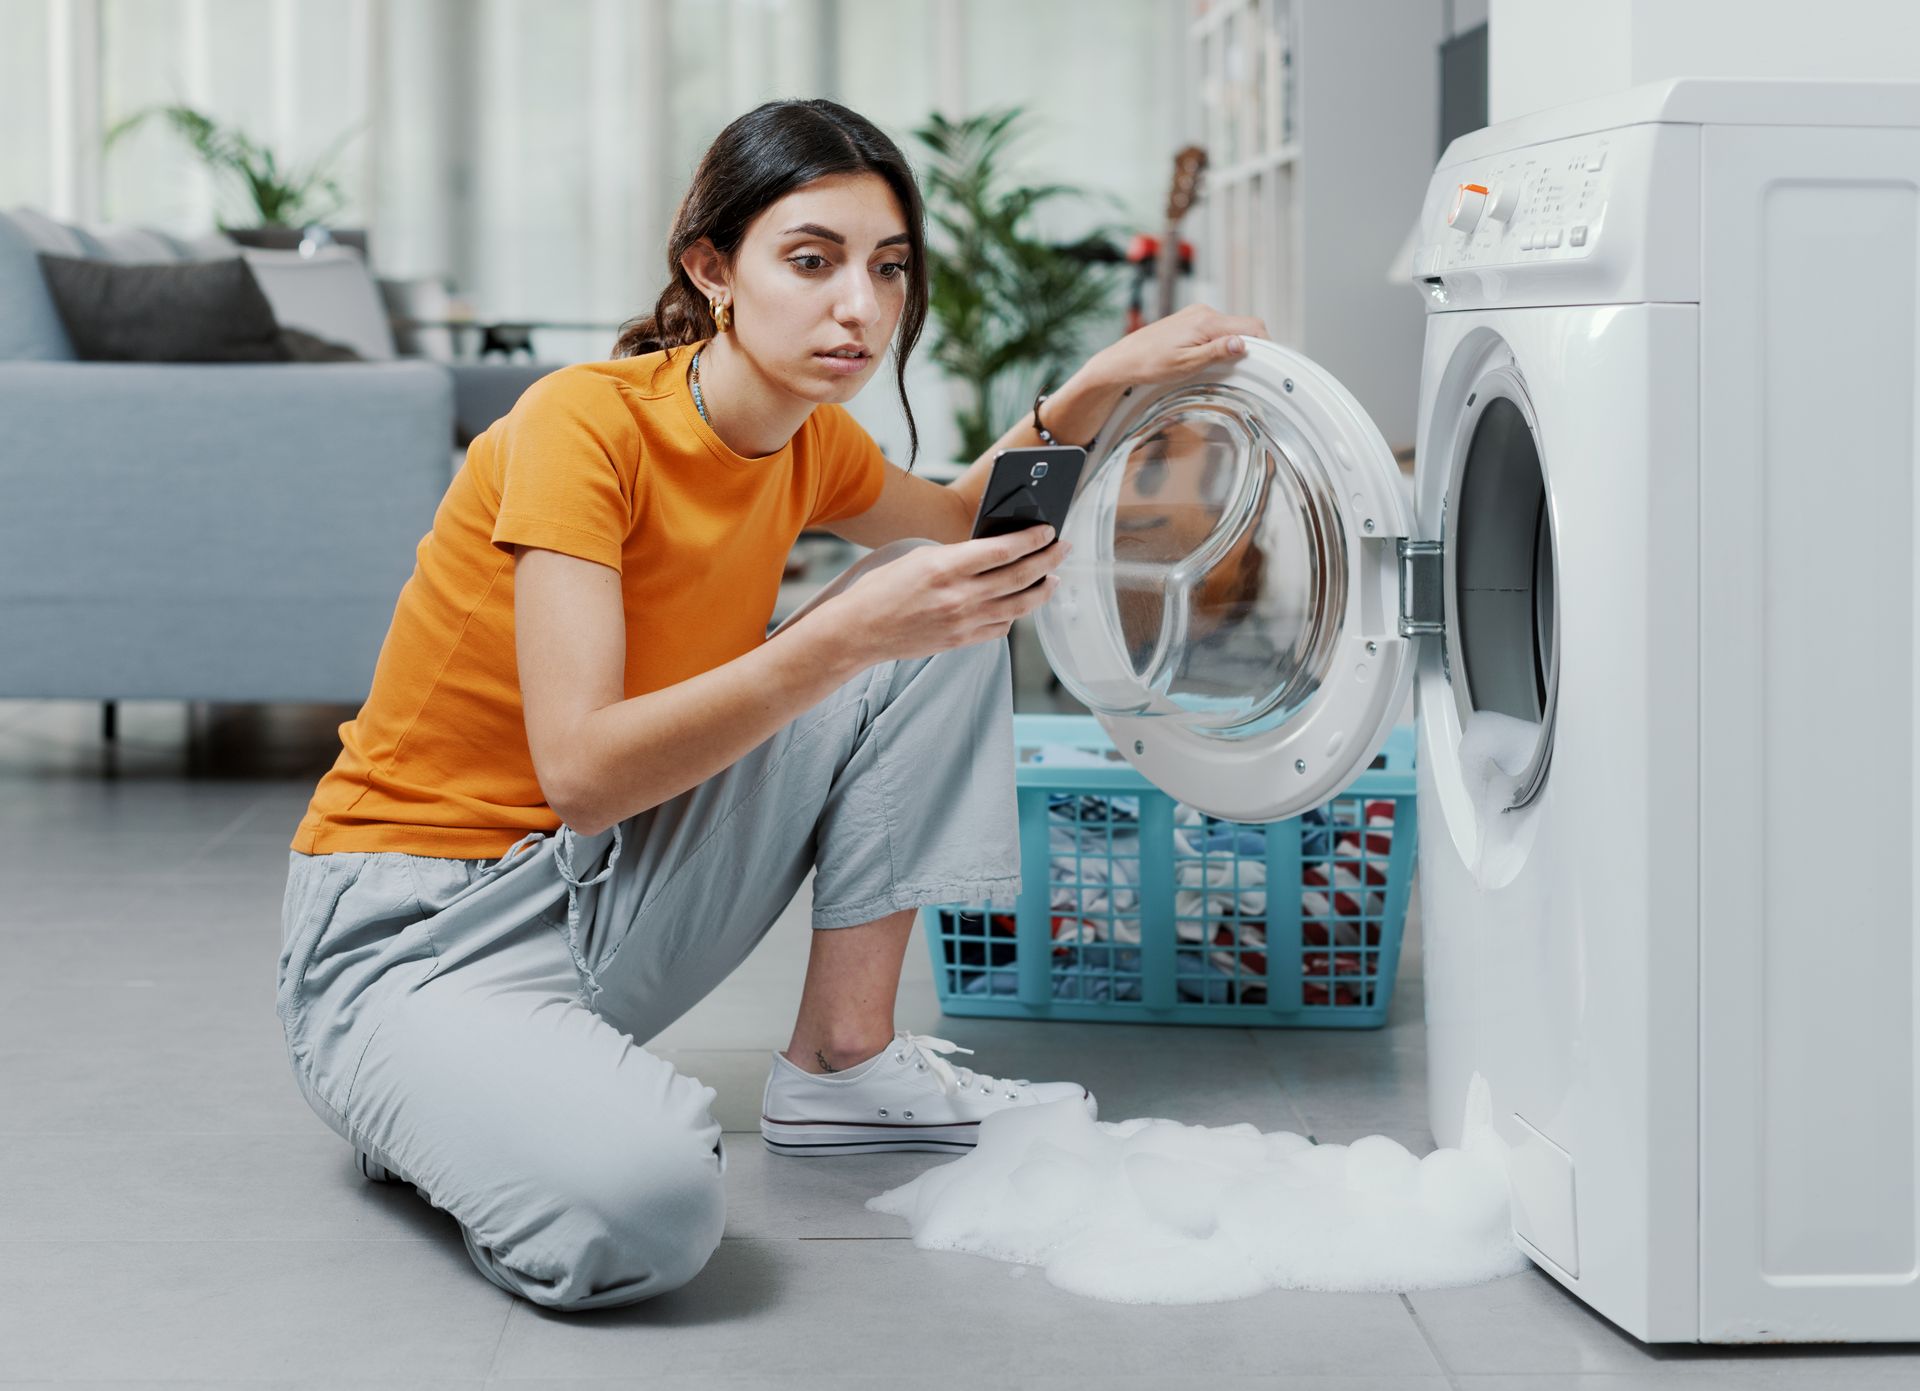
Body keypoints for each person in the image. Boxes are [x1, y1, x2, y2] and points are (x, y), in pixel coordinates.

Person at [274, 96, 1266, 1312]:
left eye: (888, 269)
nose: (860, 307)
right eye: (812, 260)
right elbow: (581, 767)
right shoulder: (580, 425)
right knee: (649, 1208)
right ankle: (447, 1097)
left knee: (945, 591)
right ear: (713, 268)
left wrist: (1094, 383)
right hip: (412, 934)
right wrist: (834, 639)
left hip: (608, 880)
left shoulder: (810, 443)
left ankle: (844, 1062)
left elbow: (965, 522)